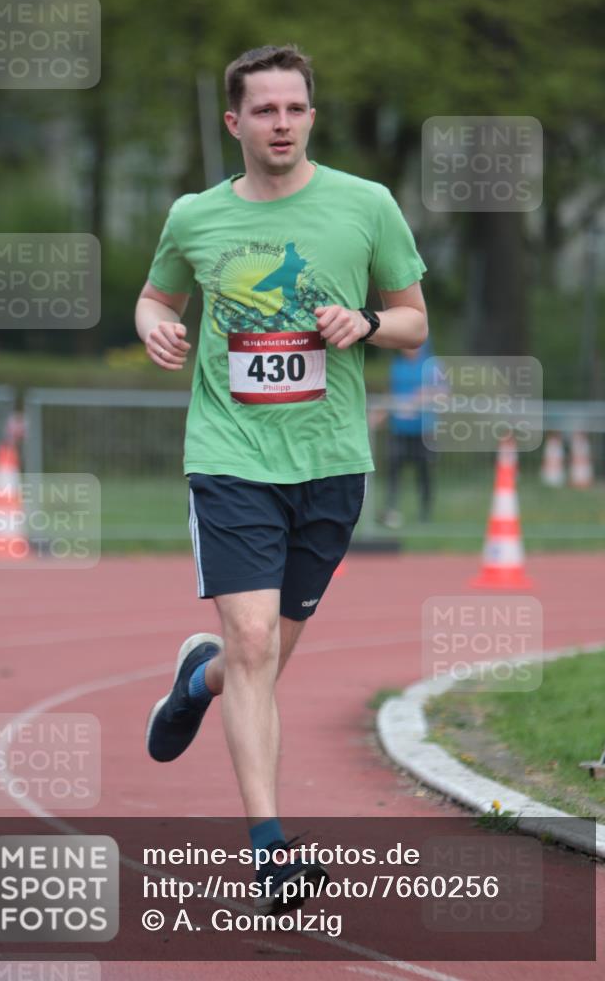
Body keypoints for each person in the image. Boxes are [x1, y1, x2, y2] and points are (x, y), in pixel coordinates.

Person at [135, 44, 427, 913]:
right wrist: (156, 326)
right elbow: (157, 297)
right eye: (262, 111)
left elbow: (413, 324)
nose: (280, 124)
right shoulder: (195, 217)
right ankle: (271, 851)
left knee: (257, 660)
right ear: (235, 123)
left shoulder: (365, 206)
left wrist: (366, 320)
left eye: (293, 109)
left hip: (331, 462)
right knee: (254, 646)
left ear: (311, 115)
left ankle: (196, 681)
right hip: (229, 458)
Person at [375, 340, 438, 528]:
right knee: (394, 471)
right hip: (399, 430)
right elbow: (391, 393)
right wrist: (378, 414)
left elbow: (443, 391)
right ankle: (390, 511)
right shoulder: (397, 366)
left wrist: (425, 394)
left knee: (424, 473)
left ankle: (425, 515)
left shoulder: (431, 365)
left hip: (423, 431)